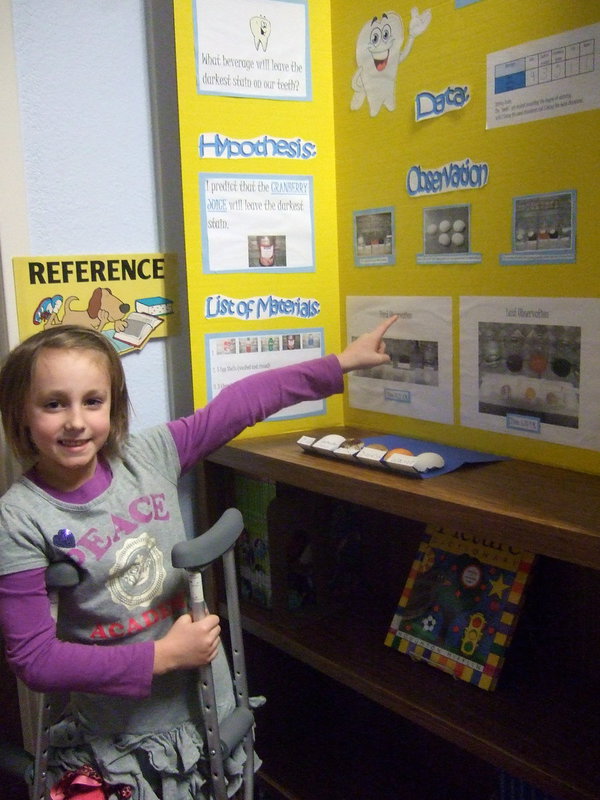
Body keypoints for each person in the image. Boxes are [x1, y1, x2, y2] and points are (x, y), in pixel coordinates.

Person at [0, 316, 397, 799]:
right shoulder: (20, 517)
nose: (76, 421)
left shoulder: (147, 456)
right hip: (122, 734)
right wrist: (161, 656)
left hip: (206, 700)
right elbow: (35, 660)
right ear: (21, 412)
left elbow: (239, 404)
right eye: (53, 404)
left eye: (93, 401)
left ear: (114, 405)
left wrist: (340, 364)